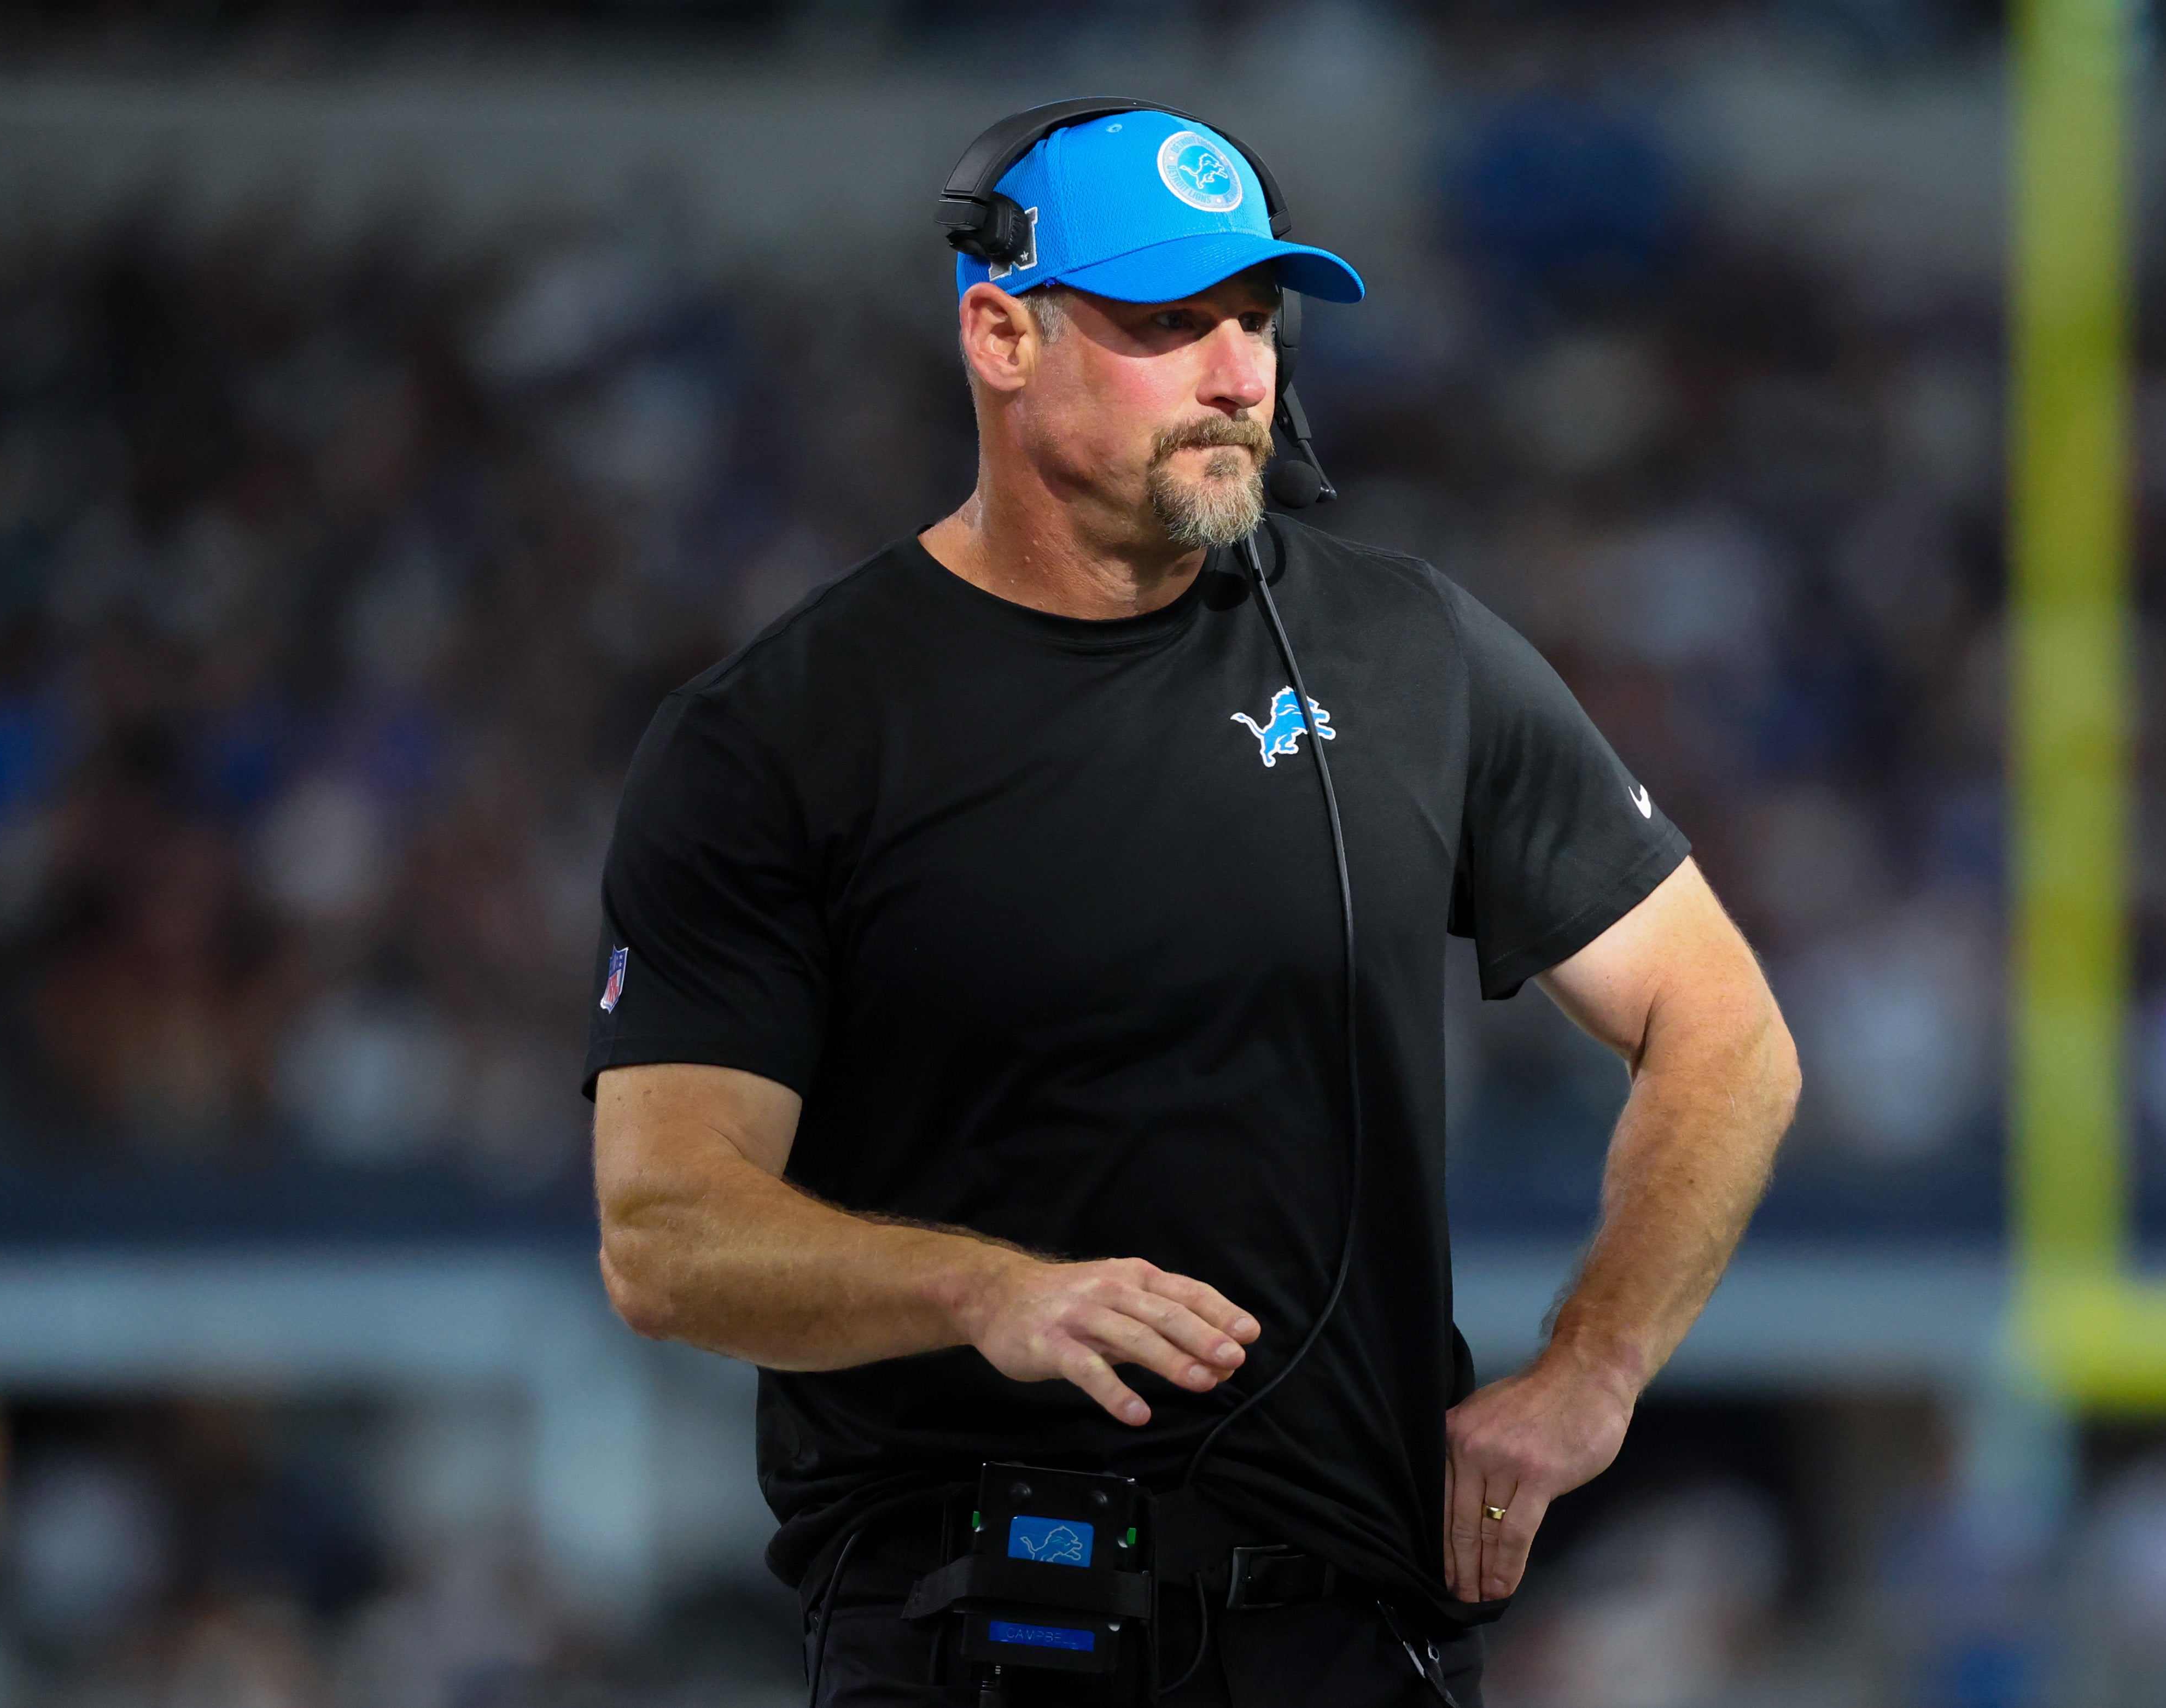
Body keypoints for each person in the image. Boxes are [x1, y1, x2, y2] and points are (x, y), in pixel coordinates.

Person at [583, 104, 1800, 1707]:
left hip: (1349, 1639)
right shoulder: (785, 733)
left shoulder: (1407, 653)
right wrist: (985, 1286)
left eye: (1255, 318)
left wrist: (1595, 1365)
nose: (1237, 373)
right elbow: (665, 1229)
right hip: (968, 1635)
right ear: (1000, 333)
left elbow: (1721, 1026)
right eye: (1167, 323)